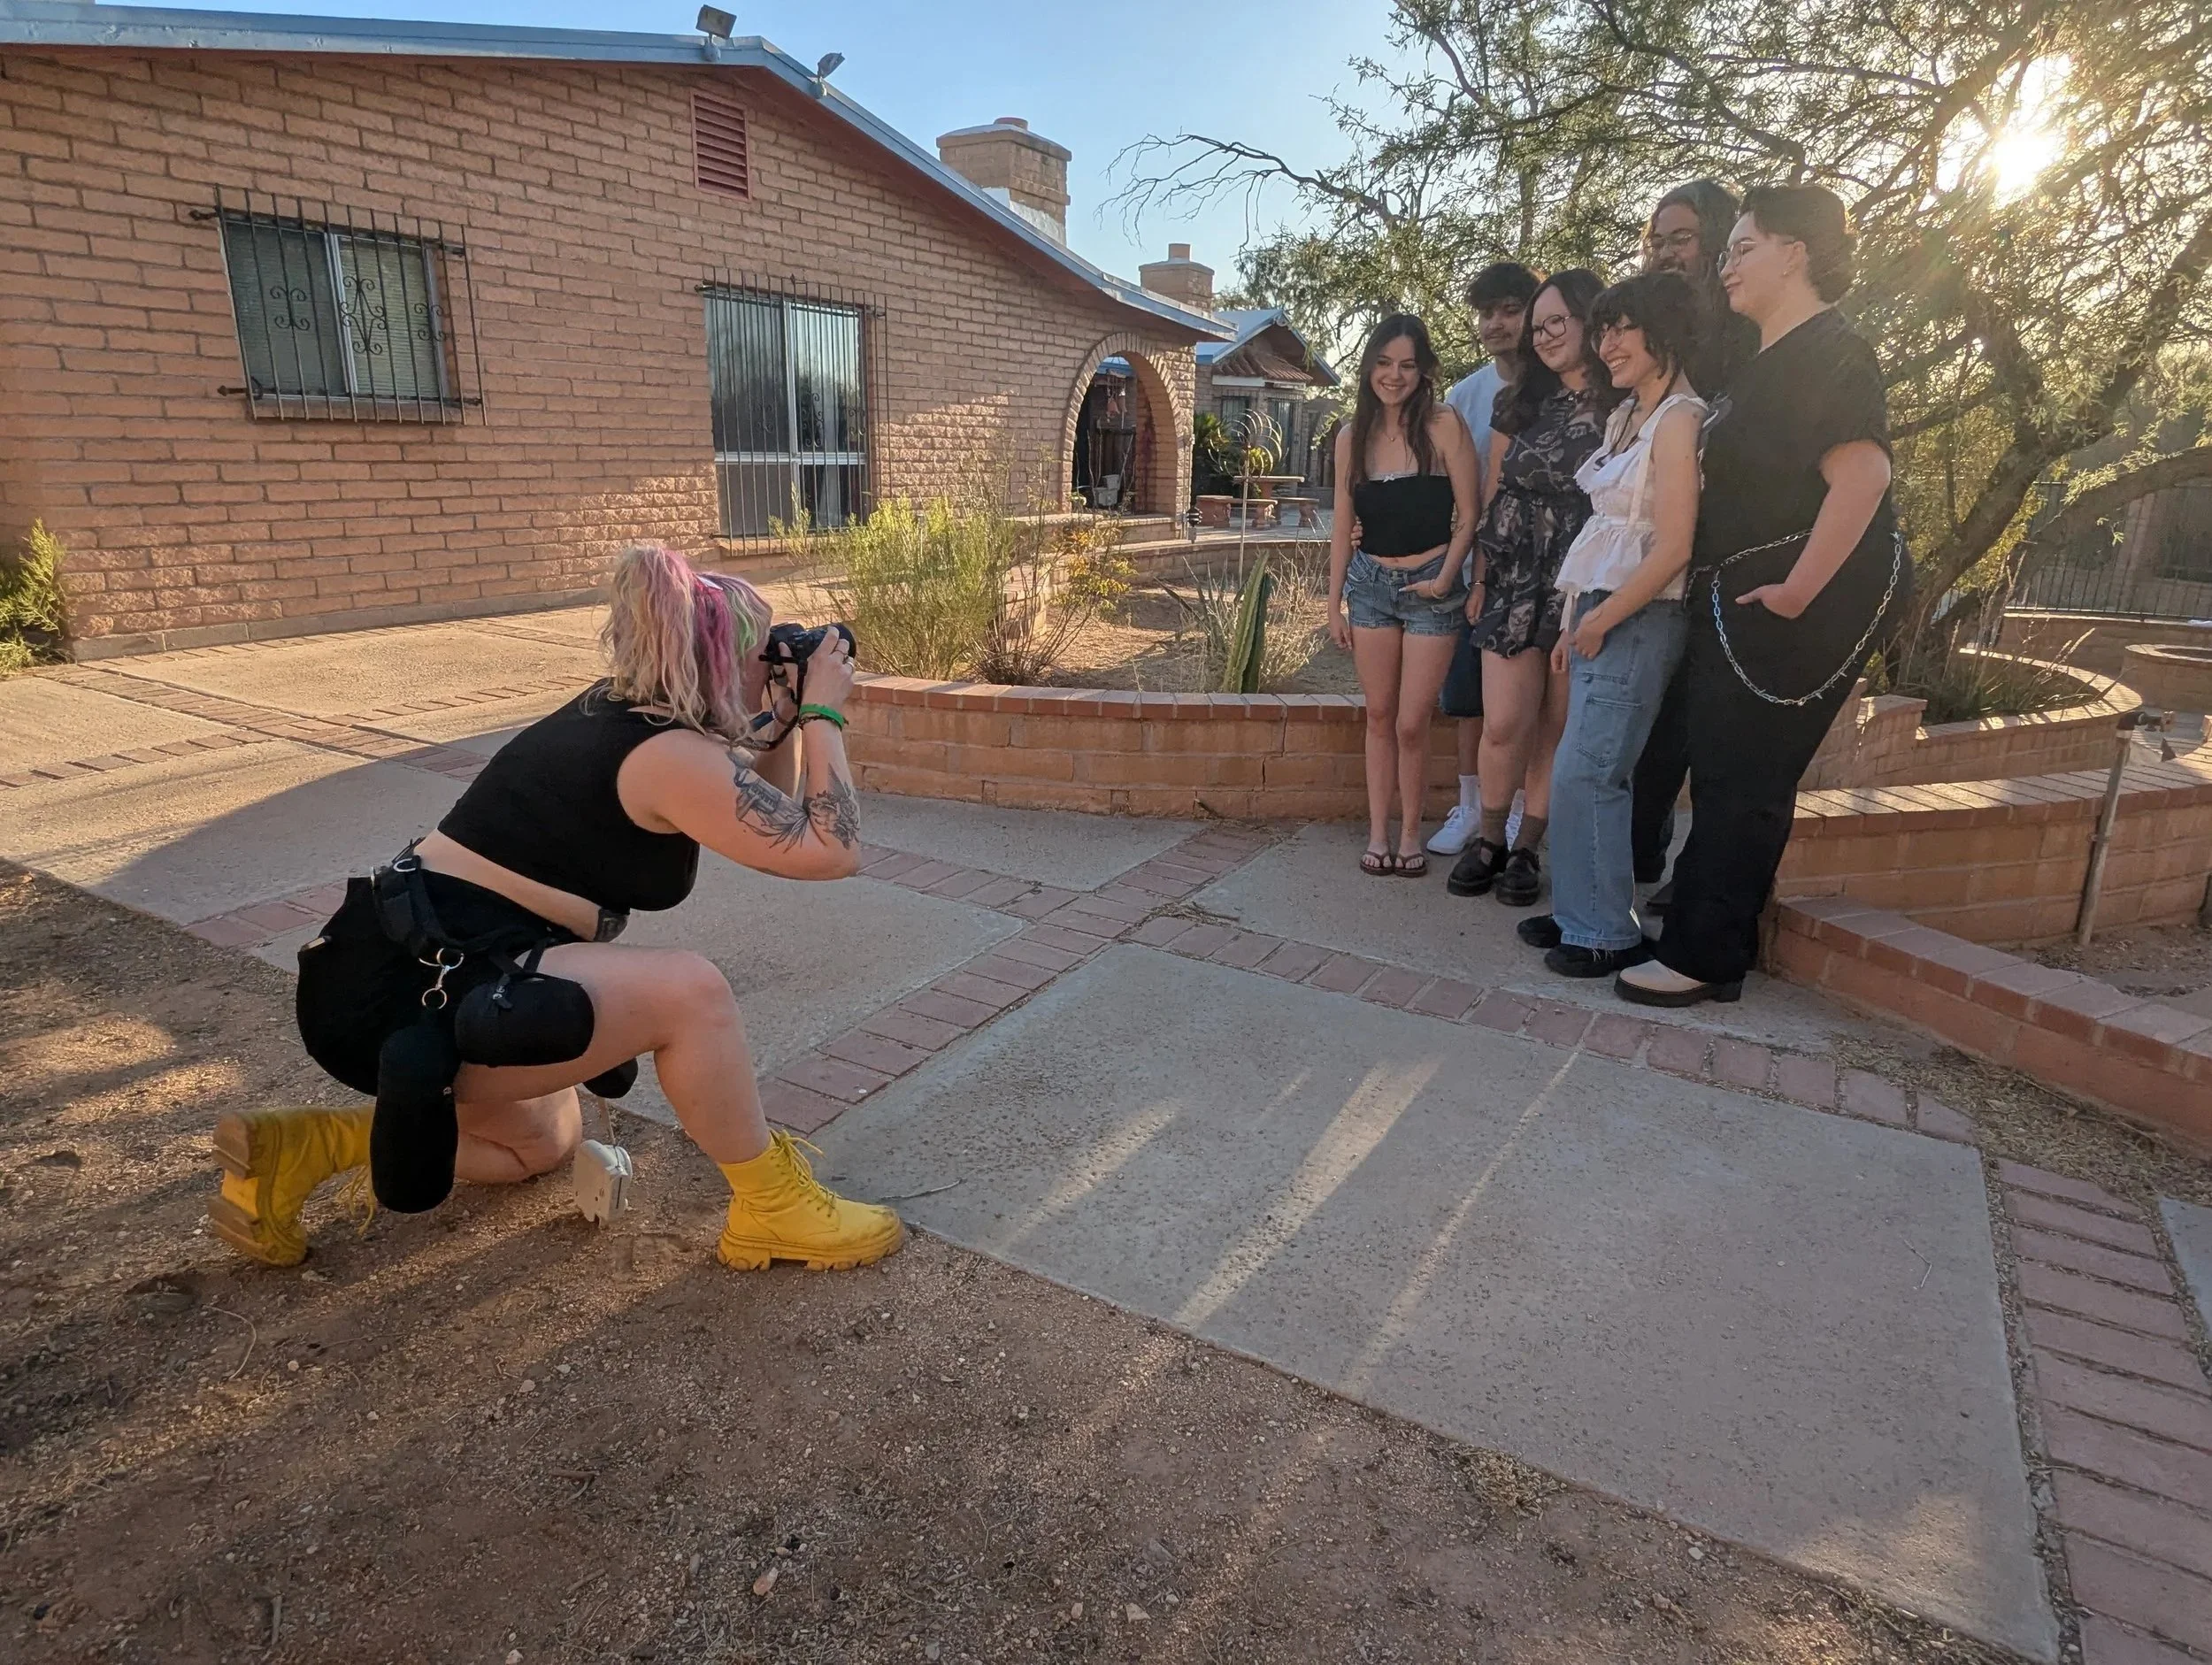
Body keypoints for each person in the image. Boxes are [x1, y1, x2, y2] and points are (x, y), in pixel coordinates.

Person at [208, 545, 908, 1270]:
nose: (773, 662)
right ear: (718, 661)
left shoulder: (619, 714)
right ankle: (771, 1209)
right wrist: (825, 712)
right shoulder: (668, 758)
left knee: (539, 1145)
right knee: (691, 993)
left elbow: (765, 809)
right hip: (417, 999)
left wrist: (787, 719)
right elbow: (830, 851)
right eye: (763, 652)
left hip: (384, 971)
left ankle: (309, 1144)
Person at [1618, 185, 1911, 1008]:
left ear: (1797, 252)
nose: (1728, 264)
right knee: (1721, 766)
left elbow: (1862, 474)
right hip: (1746, 589)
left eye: (1743, 248)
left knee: (1745, 772)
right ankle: (1701, 938)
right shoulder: (1767, 356)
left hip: (1797, 596)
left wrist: (1795, 591)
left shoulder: (1834, 352)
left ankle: (1705, 957)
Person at [1517, 272, 1706, 975]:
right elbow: (1604, 533)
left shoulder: (1680, 418)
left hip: (1640, 616)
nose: (1609, 341)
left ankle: (1603, 933)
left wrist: (1603, 621)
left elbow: (1675, 546)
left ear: (1667, 332)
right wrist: (1576, 623)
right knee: (1576, 770)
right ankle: (1577, 910)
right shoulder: (1631, 414)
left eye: (1625, 327)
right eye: (1605, 329)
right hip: (1599, 613)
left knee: (1592, 774)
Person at [1448, 268, 1607, 908]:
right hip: (1513, 573)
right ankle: (1488, 838)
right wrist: (1480, 575)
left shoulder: (1623, 403)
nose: (1543, 337)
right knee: (1505, 720)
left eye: (1556, 323)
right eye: (1538, 326)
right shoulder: (1517, 400)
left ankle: (1525, 850)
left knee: (1555, 723)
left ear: (1589, 323)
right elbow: (1494, 493)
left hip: (1580, 580)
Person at [1630, 180, 1761, 904]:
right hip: (1649, 549)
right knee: (1644, 725)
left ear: (1713, 240)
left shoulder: (1746, 336)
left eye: (1681, 237)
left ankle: (1693, 886)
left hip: (1719, 552)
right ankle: (1634, 866)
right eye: (1659, 239)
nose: (1668, 252)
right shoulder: (1653, 330)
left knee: (1699, 727)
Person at [1328, 313, 1484, 876]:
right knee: (1379, 715)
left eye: (1408, 365)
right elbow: (1343, 521)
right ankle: (1377, 834)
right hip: (1370, 586)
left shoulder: (1443, 425)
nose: (1394, 376)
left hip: (1432, 587)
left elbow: (1471, 516)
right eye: (1384, 362)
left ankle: (1412, 834)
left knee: (1413, 722)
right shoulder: (1352, 435)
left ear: (1423, 372)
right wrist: (1333, 604)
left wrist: (1447, 579)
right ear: (1369, 365)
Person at [1430, 260, 1540, 857]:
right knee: (1467, 697)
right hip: (1476, 575)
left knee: (1531, 705)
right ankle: (1470, 807)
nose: (1496, 323)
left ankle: (1520, 810)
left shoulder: (1566, 388)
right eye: (1486, 312)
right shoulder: (1464, 396)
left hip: (1545, 574)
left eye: (1510, 310)